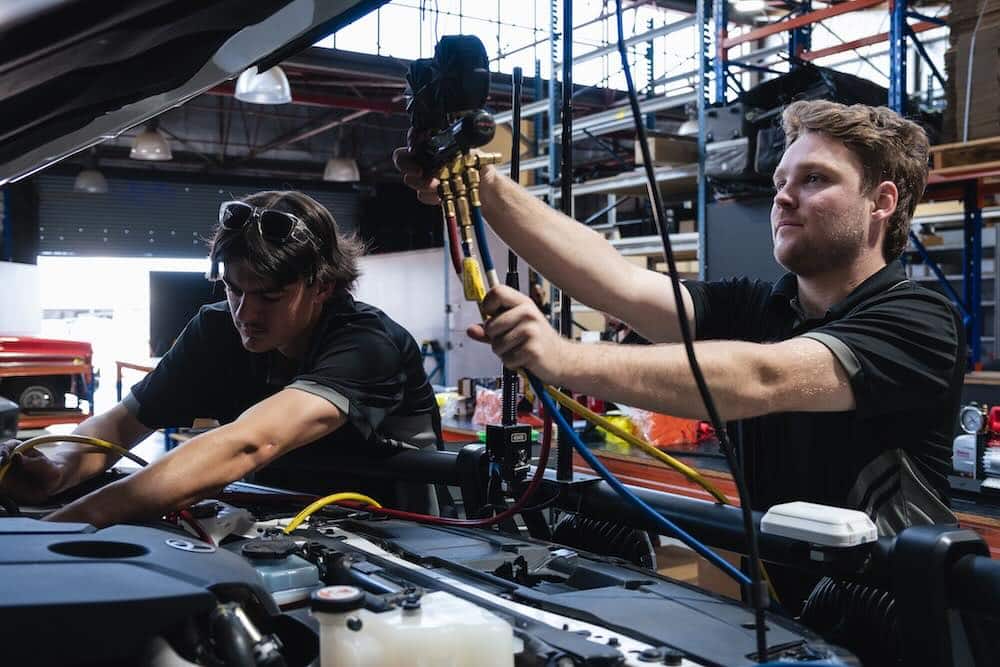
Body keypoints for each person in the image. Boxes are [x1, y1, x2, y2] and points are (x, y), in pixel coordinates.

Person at [395, 99, 963, 537]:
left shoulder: (915, 318)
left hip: (896, 622)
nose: (783, 198)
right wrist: (481, 184)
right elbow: (616, 280)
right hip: (795, 610)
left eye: (814, 179)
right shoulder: (759, 306)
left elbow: (762, 377)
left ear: (881, 202)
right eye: (780, 182)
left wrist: (564, 357)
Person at [0, 190, 444, 527]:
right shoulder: (216, 329)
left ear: (323, 286)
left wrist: (63, 527)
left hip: (394, 538)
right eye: (234, 288)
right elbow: (122, 424)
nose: (244, 313)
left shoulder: (368, 344)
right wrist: (57, 471)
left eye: (269, 295)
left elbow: (251, 442)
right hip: (273, 527)